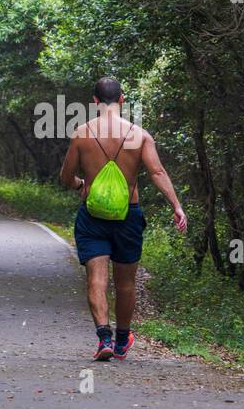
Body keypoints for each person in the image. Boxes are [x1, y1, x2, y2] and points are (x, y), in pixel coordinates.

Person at [58, 76, 187, 360]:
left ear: (94, 102)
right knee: (126, 283)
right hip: (129, 215)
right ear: (122, 100)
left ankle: (103, 337)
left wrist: (82, 185)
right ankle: (120, 340)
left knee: (96, 278)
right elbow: (157, 173)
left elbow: (65, 178)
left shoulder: (82, 134)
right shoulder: (140, 136)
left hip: (92, 216)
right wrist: (176, 205)